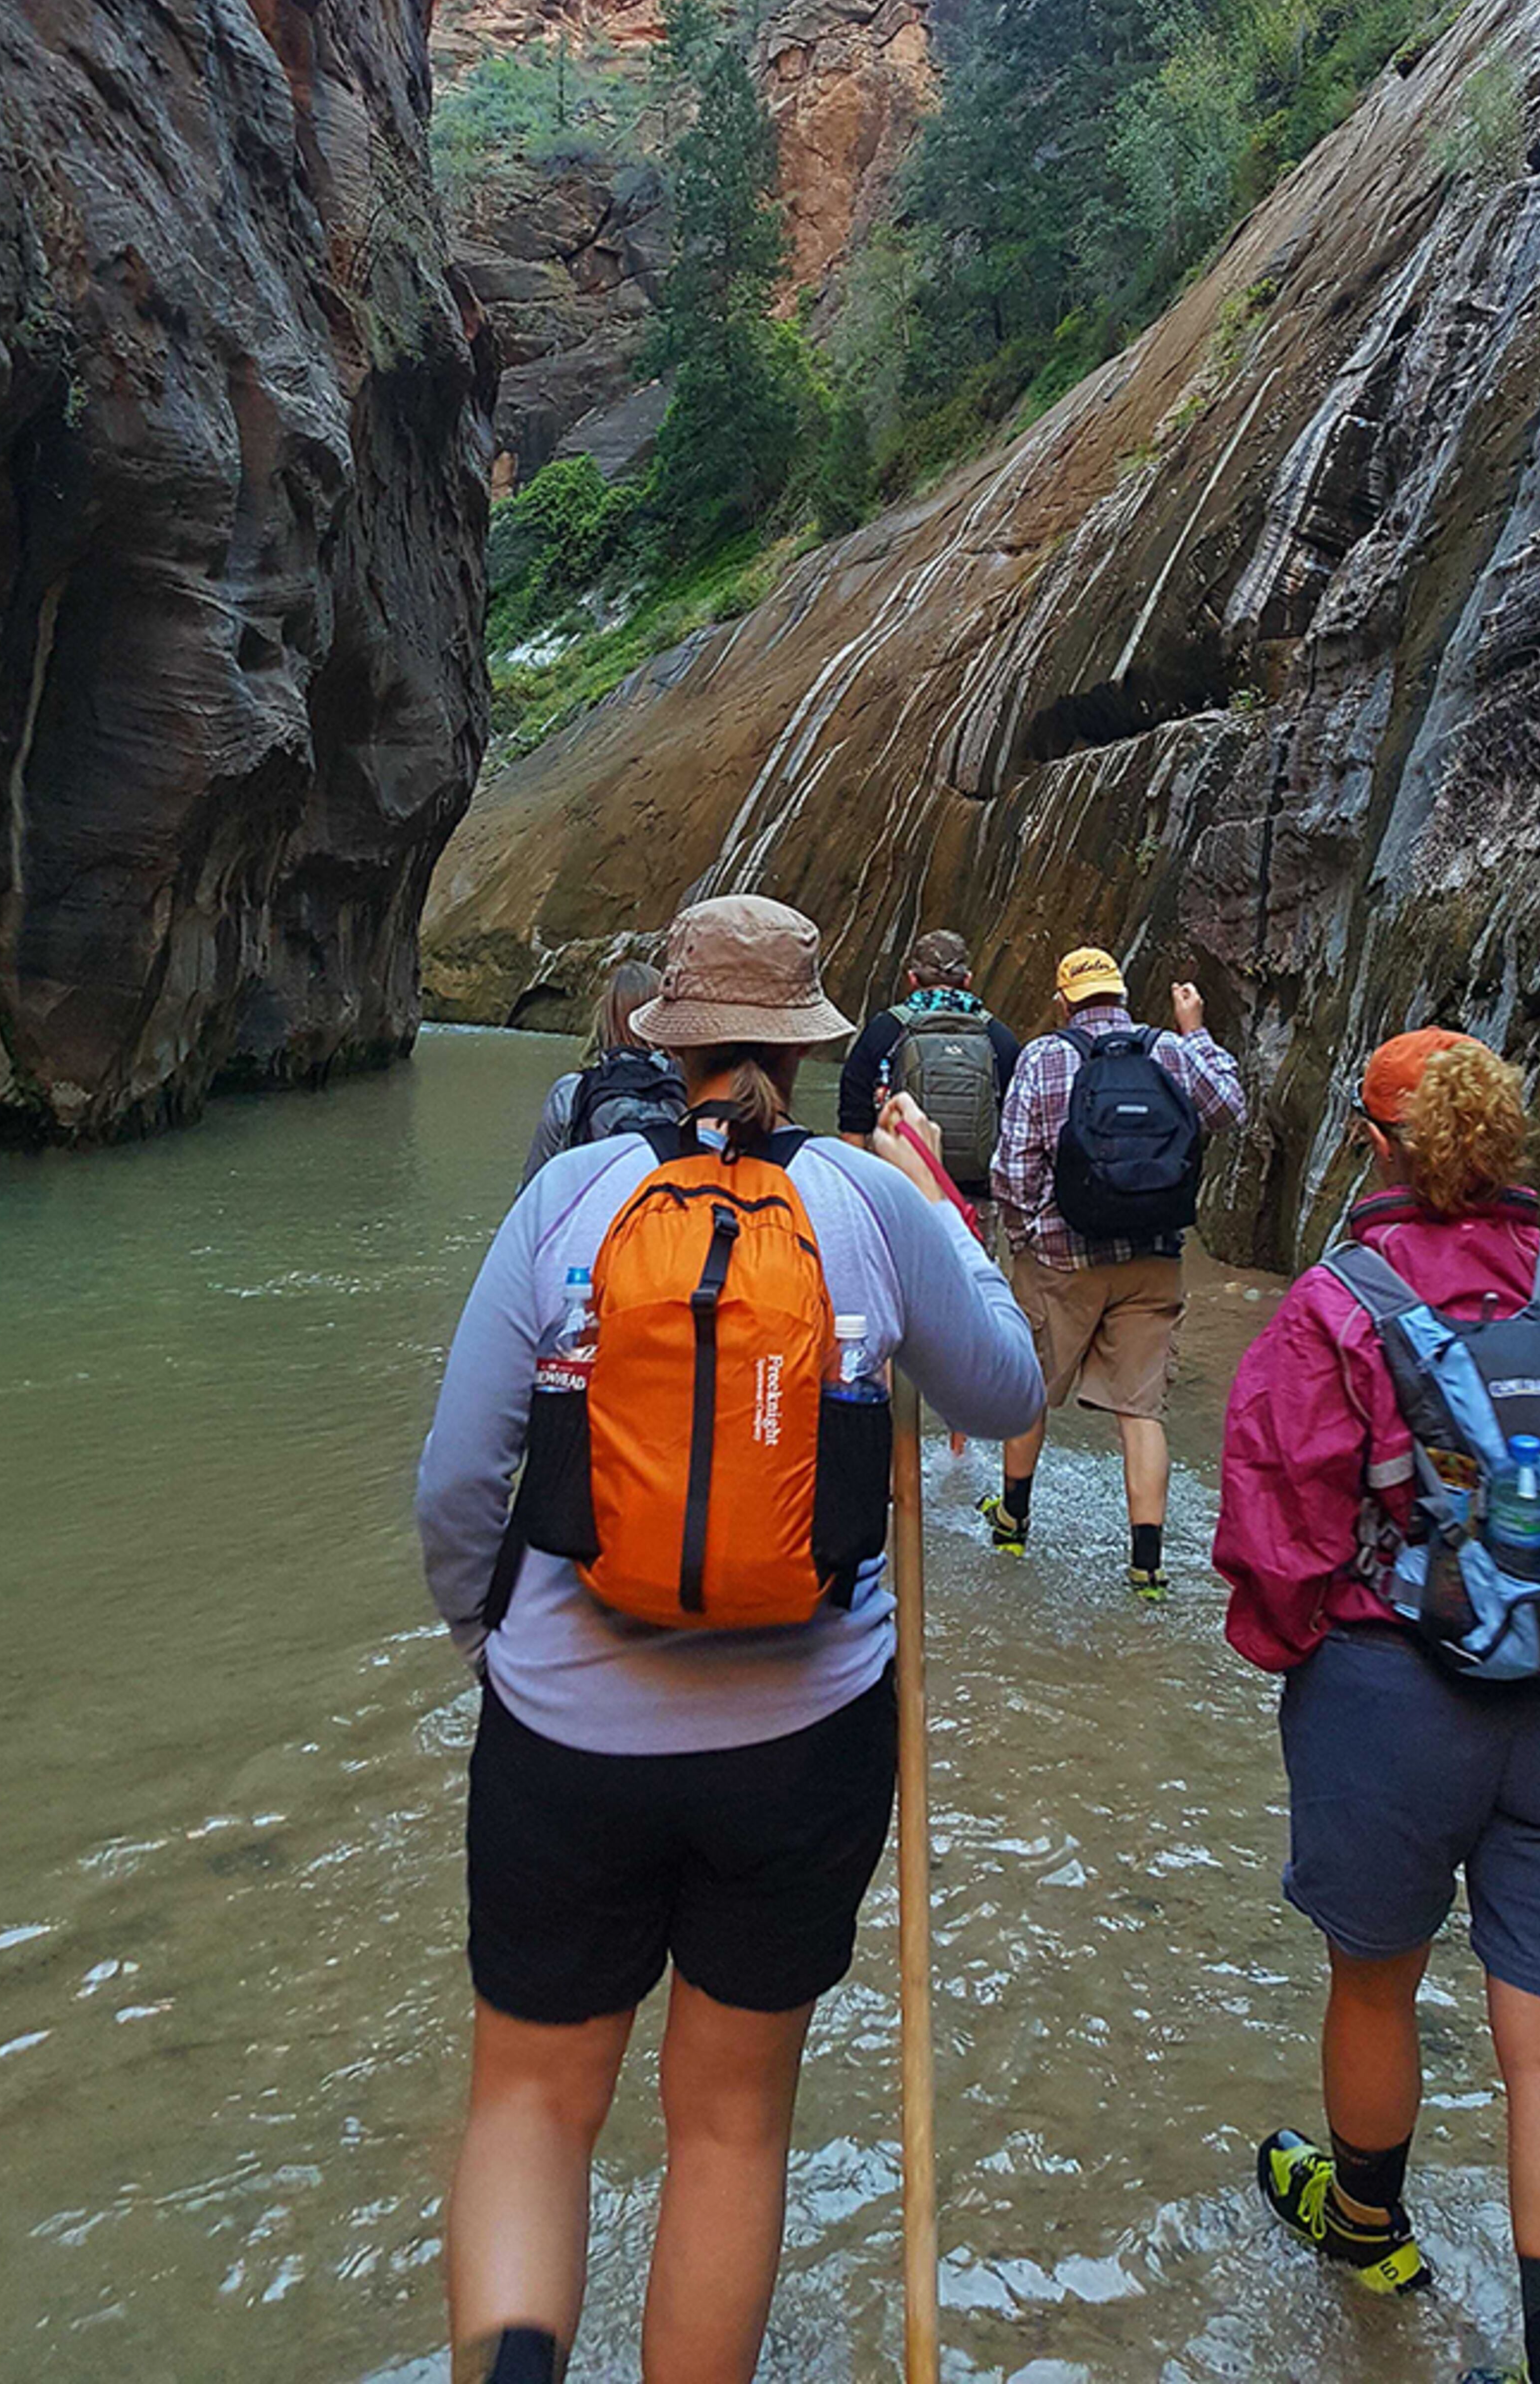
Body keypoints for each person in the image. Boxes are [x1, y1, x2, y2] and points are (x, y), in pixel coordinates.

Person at [417, 890, 1044, 2384]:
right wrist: (929, 1194)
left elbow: (456, 1476)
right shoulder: (863, 1199)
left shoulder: (569, 1196)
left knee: (528, 2103)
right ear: (809, 1042)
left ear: (668, 1039)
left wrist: (484, 1635)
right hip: (800, 1742)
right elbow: (1010, 1395)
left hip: (565, 1730)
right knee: (726, 2124)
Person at [1213, 1027, 1540, 2384]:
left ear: (1374, 1144)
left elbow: (1277, 1542)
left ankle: (1369, 2227)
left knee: (1375, 1985)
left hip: (1389, 1694)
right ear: (1506, 1146)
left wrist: (1305, 1653)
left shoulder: (1334, 1306)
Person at [985, 942, 1245, 1598]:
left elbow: (1013, 1169)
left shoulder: (1047, 1056)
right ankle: (1147, 1564)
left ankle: (1014, 1520)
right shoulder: (1170, 1051)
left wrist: (1026, 1240)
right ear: (1123, 996)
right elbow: (1230, 1109)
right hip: (1152, 1257)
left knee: (1030, 1388)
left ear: (1064, 1000)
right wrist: (1197, 1031)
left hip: (1062, 1259)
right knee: (1141, 1410)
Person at [837, 927, 1021, 1222]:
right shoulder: (998, 1037)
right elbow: (1016, 1127)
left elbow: (853, 1127)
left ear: (912, 979)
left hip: (898, 1192)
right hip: (973, 1200)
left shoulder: (884, 1030)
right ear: (968, 980)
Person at [515, 961, 682, 1190]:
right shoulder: (691, 1088)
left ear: (605, 1018)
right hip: (670, 1218)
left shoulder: (572, 1092)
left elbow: (533, 1191)